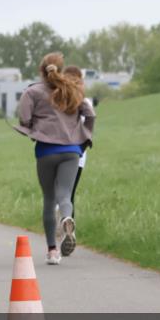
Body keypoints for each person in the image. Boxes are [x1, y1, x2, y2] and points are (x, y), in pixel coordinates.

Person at [12, 53, 95, 265]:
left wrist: (32, 128)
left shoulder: (32, 92)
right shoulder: (73, 90)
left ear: (42, 70)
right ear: (61, 68)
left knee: (49, 199)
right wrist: (85, 137)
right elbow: (90, 114)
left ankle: (52, 251)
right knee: (65, 195)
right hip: (71, 150)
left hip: (46, 150)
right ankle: (67, 219)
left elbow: (24, 118)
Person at [63, 66, 96, 219]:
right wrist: (81, 149)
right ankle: (69, 231)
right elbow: (88, 127)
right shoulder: (86, 102)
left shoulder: (60, 100)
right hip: (79, 155)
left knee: (61, 193)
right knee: (70, 194)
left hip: (59, 152)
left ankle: (61, 216)